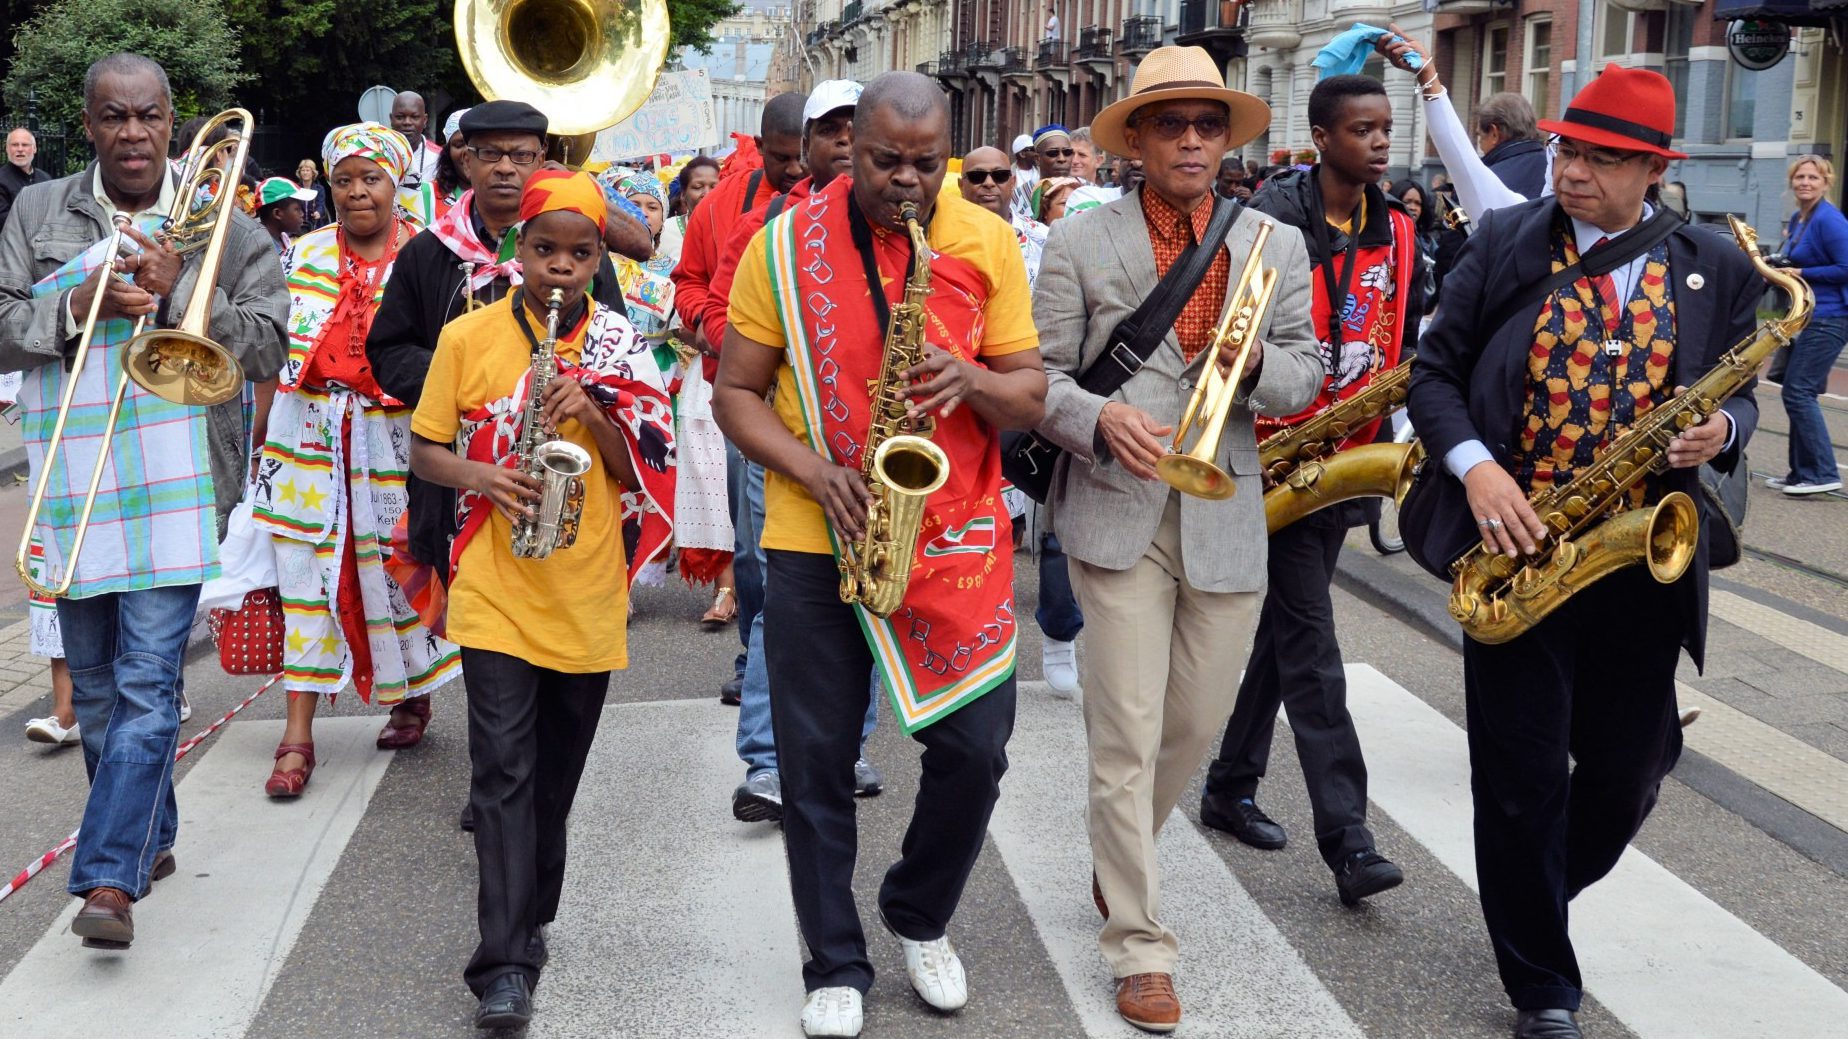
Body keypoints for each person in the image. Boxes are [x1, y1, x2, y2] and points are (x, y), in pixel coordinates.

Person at [1407, 65, 1761, 1039]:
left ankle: (1528, 892)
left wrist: (1721, 433)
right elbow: (1433, 373)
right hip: (1519, 545)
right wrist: (1478, 470)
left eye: (1602, 159)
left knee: (1621, 775)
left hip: (1643, 555)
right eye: (1568, 150)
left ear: (1652, 168)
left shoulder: (1714, 264)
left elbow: (1742, 399)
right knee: (1520, 778)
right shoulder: (1506, 242)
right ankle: (1542, 986)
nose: (1573, 172)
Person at [716, 71, 1045, 1038]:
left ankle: (918, 911)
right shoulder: (779, 245)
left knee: (977, 749)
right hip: (815, 533)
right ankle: (835, 959)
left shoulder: (984, 239)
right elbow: (736, 393)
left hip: (956, 534)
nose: (908, 181)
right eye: (885, 161)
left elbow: (1030, 393)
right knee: (815, 762)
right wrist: (815, 473)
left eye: (926, 163)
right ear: (846, 146)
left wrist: (975, 377)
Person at [1032, 45, 1323, 1032]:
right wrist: (1097, 419)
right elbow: (1039, 380)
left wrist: (1245, 371)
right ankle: (1141, 943)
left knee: (1189, 728)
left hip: (1226, 508)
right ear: (1139, 140)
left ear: (1225, 137)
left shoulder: (1275, 244)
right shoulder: (1080, 242)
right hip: (1115, 508)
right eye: (1171, 124)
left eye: (1208, 124)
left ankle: (1121, 857)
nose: (1192, 139)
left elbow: (1304, 373)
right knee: (1124, 733)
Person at [0, 52, 287, 949]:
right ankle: (148, 833)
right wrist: (79, 303)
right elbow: (3, 324)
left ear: (173, 121)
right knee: (93, 686)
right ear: (86, 125)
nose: (133, 133)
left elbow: (273, 345)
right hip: (73, 476)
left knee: (147, 683)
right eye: (113, 117)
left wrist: (179, 304)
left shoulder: (226, 225)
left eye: (150, 116)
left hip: (181, 482)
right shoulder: (37, 208)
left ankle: (108, 877)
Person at [409, 168, 675, 1030]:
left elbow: (650, 464)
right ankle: (502, 961)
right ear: (514, 250)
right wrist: (481, 474)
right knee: (501, 774)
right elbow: (424, 453)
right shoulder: (469, 336)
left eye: (580, 252)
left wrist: (594, 414)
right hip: (493, 582)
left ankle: (531, 918)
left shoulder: (622, 349)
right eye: (544, 248)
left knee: (553, 778)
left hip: (586, 583)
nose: (561, 266)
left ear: (601, 259)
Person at [1199, 74, 1423, 912]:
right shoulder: (1263, 227)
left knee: (1286, 629)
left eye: (1385, 127)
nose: (1379, 141)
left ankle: (1230, 784)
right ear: (1320, 137)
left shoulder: (1399, 230)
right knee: (1312, 638)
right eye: (1361, 129)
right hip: (1266, 452)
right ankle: (1349, 837)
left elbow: (1400, 332)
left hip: (1343, 458)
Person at [251, 123, 461, 798]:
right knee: (304, 580)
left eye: (370, 178)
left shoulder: (430, 255)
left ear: (395, 183)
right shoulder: (302, 254)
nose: (355, 192)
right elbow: (275, 355)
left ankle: (410, 692)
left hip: (396, 439)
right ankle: (296, 738)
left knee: (396, 570)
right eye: (343, 180)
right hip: (308, 438)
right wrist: (255, 442)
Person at [366, 100, 644, 595]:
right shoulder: (426, 251)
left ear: (542, 162)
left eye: (520, 155)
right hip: (461, 473)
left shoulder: (581, 252)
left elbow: (615, 351)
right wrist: (462, 378)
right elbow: (387, 352)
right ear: (464, 160)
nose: (504, 168)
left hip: (564, 459)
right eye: (489, 154)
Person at [703, 81, 886, 823]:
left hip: (875, 453)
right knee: (778, 599)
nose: (845, 141)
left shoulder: (917, 226)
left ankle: (847, 745)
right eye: (831, 129)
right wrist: (768, 361)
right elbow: (714, 311)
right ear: (805, 147)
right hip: (783, 447)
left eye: (856, 128)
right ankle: (768, 762)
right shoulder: (766, 227)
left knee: (868, 590)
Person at [671, 90, 807, 706]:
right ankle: (756, 653)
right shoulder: (724, 206)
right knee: (751, 543)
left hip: (819, 401)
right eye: (783, 158)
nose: (798, 170)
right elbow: (690, 284)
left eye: (808, 155)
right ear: (760, 146)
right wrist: (716, 329)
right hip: (745, 394)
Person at [1769, 155, 1848, 496]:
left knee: (1798, 391)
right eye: (1800, 177)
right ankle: (1800, 473)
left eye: (1813, 177)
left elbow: (1846, 266)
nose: (1805, 182)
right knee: (1798, 388)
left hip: (1831, 316)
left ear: (1825, 182)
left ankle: (1823, 473)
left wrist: (1802, 273)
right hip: (1807, 316)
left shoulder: (1829, 220)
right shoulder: (1802, 218)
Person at [1475, 92, 1548, 200]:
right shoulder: (1555, 170)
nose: (1480, 144)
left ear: (1494, 134)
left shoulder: (1483, 181)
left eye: (1480, 136)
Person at [1390, 176, 1440, 308]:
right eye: (1407, 202)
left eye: (1418, 203)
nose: (1413, 207)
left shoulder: (1428, 242)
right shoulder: (1384, 236)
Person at [0, 127, 53, 231]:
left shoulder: (45, 178)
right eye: (14, 145)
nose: (20, 149)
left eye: (25, 145)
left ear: (34, 149)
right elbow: (3, 220)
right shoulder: (1, 179)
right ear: (7, 149)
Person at [1019, 124, 1075, 218]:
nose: (1062, 158)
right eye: (1053, 153)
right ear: (1037, 159)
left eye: (1067, 152)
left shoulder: (1086, 189)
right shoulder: (1020, 194)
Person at [254, 175, 316, 257]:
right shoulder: (263, 252)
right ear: (277, 213)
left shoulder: (283, 238)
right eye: (297, 209)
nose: (302, 214)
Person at [294, 158, 331, 229]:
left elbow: (321, 205)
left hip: (315, 225)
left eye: (307, 170)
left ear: (313, 173)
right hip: (299, 225)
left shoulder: (320, 189)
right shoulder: (295, 188)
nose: (305, 173)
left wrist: (318, 212)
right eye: (303, 170)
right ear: (300, 173)